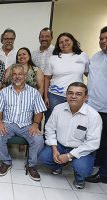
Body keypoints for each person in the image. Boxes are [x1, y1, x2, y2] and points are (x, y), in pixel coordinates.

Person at [39, 82, 102, 189]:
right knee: (43, 157)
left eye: (78, 94)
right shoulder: (58, 109)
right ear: (66, 95)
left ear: (85, 97)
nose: (73, 96)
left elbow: (92, 143)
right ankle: (59, 164)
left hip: (81, 149)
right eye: (70, 93)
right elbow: (49, 129)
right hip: (60, 145)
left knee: (83, 168)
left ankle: (79, 177)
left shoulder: (93, 116)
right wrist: (54, 149)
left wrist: (69, 156)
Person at [0, 64, 46, 181]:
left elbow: (39, 112)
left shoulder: (34, 92)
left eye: (20, 74)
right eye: (14, 74)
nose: (17, 77)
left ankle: (31, 165)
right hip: (8, 124)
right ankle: (6, 162)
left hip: (27, 125)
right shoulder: (4, 92)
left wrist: (36, 124)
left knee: (38, 139)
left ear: (25, 76)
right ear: (11, 76)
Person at [43, 32, 89, 122]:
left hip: (75, 95)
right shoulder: (53, 58)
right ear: (58, 45)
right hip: (55, 96)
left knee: (73, 121)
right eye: (61, 42)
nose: (64, 43)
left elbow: (89, 74)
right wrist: (46, 97)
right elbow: (47, 78)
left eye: (67, 40)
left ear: (72, 41)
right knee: (54, 121)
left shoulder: (82, 55)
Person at [85, 26, 107, 184]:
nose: (103, 41)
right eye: (101, 38)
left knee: (105, 141)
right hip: (93, 106)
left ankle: (104, 174)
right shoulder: (96, 56)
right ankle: (98, 164)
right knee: (96, 139)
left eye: (106, 38)